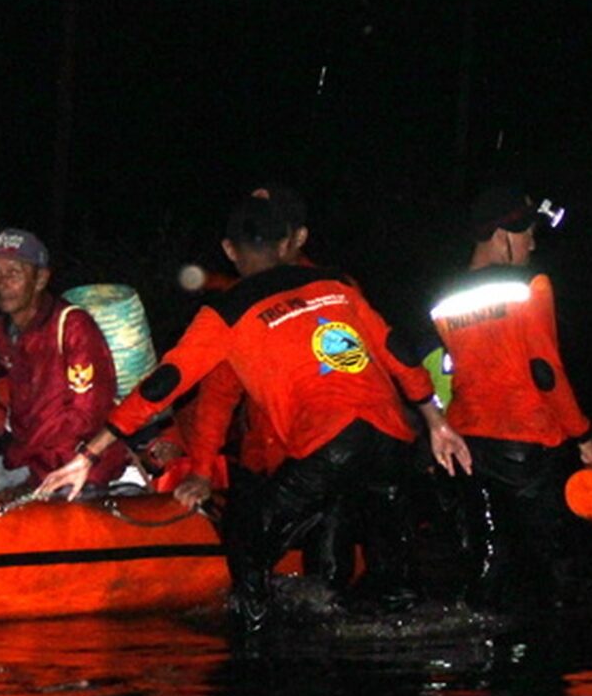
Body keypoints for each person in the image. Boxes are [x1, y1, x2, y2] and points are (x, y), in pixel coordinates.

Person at [34, 186, 473, 622]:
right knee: (384, 573)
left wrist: (88, 453)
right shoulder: (336, 286)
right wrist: (436, 422)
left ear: (229, 249)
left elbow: (164, 383)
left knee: (246, 541)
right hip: (391, 440)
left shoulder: (227, 314)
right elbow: (395, 348)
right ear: (286, 243)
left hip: (329, 442)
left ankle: (255, 643)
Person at [429, 186, 592, 607]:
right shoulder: (532, 284)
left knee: (488, 559)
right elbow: (545, 372)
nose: (533, 241)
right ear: (502, 235)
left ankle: (482, 647)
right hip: (527, 443)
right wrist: (583, 435)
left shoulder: (442, 296)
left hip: (468, 444)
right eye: (526, 232)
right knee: (554, 562)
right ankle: (556, 652)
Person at [0, 229, 127, 501]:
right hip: (25, 458)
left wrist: (27, 478)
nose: (1, 282)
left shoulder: (72, 326)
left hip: (70, 464)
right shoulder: (1, 332)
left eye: (14, 273)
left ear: (41, 279)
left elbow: (86, 417)